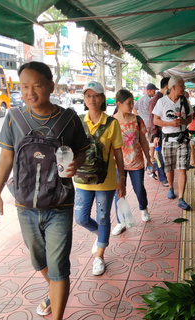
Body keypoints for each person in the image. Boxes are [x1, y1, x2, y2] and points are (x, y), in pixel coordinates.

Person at [0, 61, 89, 320]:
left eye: (36, 85)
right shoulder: (14, 118)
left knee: (59, 268)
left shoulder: (69, 119)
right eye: (24, 86)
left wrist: (75, 165)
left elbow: (83, 150)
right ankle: (53, 288)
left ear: (50, 86)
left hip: (60, 204)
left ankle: (57, 306)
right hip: (25, 206)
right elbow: (5, 159)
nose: (29, 92)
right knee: (39, 261)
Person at [74, 80, 126, 276]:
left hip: (106, 180)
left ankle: (100, 257)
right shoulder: (78, 121)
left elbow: (119, 153)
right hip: (82, 180)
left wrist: (122, 180)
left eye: (96, 95)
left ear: (103, 99)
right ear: (84, 99)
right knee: (80, 218)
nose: (92, 99)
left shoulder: (112, 124)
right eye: (88, 96)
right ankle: (99, 234)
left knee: (103, 217)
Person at [111, 89, 153, 235]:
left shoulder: (137, 120)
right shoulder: (112, 121)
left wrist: (149, 158)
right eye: (129, 103)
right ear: (119, 104)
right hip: (118, 164)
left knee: (139, 189)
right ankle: (120, 221)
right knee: (119, 193)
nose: (131, 106)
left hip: (136, 162)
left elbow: (143, 140)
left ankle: (143, 208)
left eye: (132, 103)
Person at [153, 75, 193, 210]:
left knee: (183, 169)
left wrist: (183, 121)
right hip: (168, 139)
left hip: (182, 139)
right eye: (182, 86)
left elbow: (190, 118)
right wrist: (169, 123)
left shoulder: (185, 101)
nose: (184, 88)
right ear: (174, 87)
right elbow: (155, 120)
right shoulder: (162, 102)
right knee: (169, 167)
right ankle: (171, 188)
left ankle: (181, 198)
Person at [134, 83, 158, 177]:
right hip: (149, 123)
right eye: (153, 90)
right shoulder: (150, 100)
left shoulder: (140, 99)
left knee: (145, 141)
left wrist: (138, 117)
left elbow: (134, 108)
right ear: (149, 90)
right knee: (151, 140)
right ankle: (151, 157)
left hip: (141, 123)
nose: (154, 92)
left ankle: (149, 157)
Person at [149, 77, 170, 188]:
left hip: (166, 131)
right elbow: (152, 119)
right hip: (159, 132)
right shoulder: (156, 100)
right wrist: (155, 135)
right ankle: (163, 178)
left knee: (164, 156)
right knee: (160, 156)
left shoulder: (167, 98)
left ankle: (152, 169)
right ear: (167, 86)